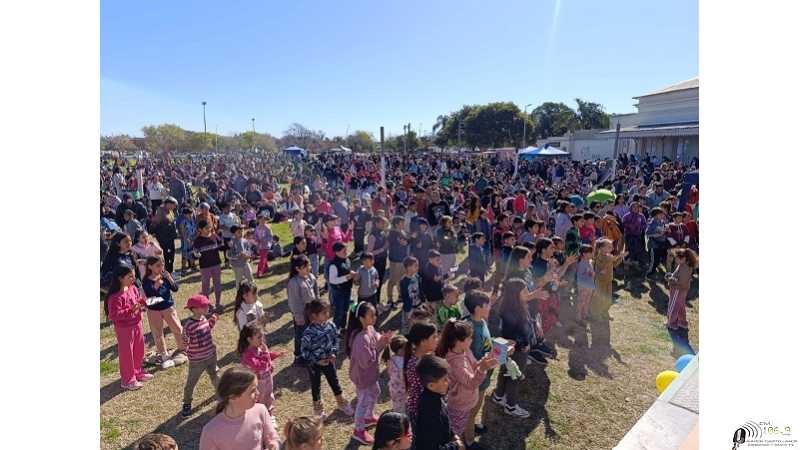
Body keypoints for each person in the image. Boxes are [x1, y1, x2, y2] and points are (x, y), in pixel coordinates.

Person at [435, 320, 497, 444]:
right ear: (458, 341)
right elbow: (471, 383)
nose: (471, 340)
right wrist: (483, 368)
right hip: (459, 405)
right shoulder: (454, 362)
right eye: (469, 338)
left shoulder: (464, 350)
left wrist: (487, 359)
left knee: (462, 425)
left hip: (466, 401)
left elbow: (474, 365)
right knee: (455, 434)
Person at [346, 302, 395, 444]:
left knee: (375, 392)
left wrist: (383, 338)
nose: (375, 317)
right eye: (371, 315)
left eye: (375, 314)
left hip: (370, 375)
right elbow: (366, 362)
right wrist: (381, 345)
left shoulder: (370, 328)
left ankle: (368, 416)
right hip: (362, 376)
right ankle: (358, 430)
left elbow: (376, 337)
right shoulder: (360, 339)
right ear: (361, 318)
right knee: (362, 402)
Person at [198, 366, 280, 450]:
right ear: (233, 397)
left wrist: (273, 445)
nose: (258, 393)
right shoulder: (211, 431)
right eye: (252, 391)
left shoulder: (260, 410)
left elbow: (272, 437)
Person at [300, 300, 354, 418]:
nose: (328, 314)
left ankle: (341, 403)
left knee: (334, 382)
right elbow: (304, 352)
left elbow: (336, 340)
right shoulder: (308, 333)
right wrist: (316, 360)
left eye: (327, 312)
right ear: (314, 316)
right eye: (324, 313)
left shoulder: (331, 326)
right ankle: (318, 409)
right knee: (316, 385)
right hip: (314, 364)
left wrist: (334, 353)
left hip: (329, 361)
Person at [492, 278, 536, 418]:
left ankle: (498, 396)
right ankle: (511, 406)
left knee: (505, 371)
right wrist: (523, 344)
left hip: (510, 350)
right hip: (517, 350)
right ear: (516, 293)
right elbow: (512, 334)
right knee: (514, 376)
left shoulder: (513, 306)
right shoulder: (513, 311)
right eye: (524, 290)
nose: (527, 292)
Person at [461, 290, 500, 447]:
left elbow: (486, 343)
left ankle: (470, 425)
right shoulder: (470, 330)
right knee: (472, 410)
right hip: (476, 377)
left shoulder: (482, 321)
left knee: (477, 406)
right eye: (487, 304)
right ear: (477, 308)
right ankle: (469, 440)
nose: (490, 306)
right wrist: (494, 358)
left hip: (484, 374)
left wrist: (499, 348)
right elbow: (471, 360)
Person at [105, 265, 152, 390]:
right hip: (124, 329)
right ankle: (127, 380)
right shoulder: (115, 297)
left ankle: (137, 372)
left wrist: (142, 304)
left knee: (139, 349)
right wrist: (130, 310)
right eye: (130, 276)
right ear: (120, 278)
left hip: (137, 324)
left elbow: (137, 300)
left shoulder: (132, 288)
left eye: (134, 275)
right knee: (127, 354)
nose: (133, 278)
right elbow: (114, 315)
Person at [141, 256, 186, 369]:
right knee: (158, 333)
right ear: (150, 267)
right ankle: (164, 354)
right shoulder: (146, 280)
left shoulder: (165, 276)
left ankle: (183, 348)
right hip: (154, 310)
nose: (161, 267)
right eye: (158, 265)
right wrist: (155, 286)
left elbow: (175, 288)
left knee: (177, 328)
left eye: (162, 264)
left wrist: (169, 278)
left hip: (168, 307)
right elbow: (148, 295)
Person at [412, 355, 465, 450]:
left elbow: (445, 421)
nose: (448, 381)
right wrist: (456, 446)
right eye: (444, 380)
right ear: (431, 385)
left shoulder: (435, 396)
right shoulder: (430, 412)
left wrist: (452, 435)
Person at [181, 294, 220, 417]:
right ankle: (187, 403)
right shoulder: (188, 325)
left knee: (215, 374)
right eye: (204, 306)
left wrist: (213, 320)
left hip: (210, 356)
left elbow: (208, 328)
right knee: (191, 383)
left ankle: (220, 393)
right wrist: (185, 339)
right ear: (195, 309)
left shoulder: (204, 319)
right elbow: (185, 340)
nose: (208, 307)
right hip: (197, 361)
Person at [238, 322, 284, 412]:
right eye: (259, 337)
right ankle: (260, 414)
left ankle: (269, 412)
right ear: (249, 339)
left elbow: (266, 357)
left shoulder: (258, 348)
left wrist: (275, 355)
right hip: (258, 382)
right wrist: (266, 352)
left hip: (267, 378)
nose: (262, 339)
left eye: (262, 336)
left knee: (269, 394)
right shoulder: (247, 355)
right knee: (260, 398)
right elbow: (259, 365)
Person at [403, 320, 439, 424]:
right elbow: (427, 389)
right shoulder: (415, 365)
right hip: (422, 410)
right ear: (423, 341)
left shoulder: (429, 355)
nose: (437, 340)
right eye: (434, 337)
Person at [287, 255, 320, 366]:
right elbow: (293, 302)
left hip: (312, 311)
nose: (309, 268)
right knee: (300, 335)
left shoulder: (311, 277)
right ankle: (298, 356)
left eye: (309, 265)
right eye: (305, 267)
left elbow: (317, 293)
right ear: (297, 269)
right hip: (301, 313)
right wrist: (298, 316)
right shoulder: (294, 282)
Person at [665, 248, 697, 356]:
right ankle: (682, 323)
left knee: (673, 306)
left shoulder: (685, 267)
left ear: (683, 258)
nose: (676, 261)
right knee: (681, 306)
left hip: (678, 289)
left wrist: (670, 279)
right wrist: (671, 276)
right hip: (682, 290)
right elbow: (677, 276)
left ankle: (671, 323)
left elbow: (680, 281)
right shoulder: (685, 265)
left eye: (677, 259)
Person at [590, 239, 627, 322]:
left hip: (608, 280)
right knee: (598, 299)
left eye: (611, 246)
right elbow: (601, 267)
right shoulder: (599, 257)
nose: (612, 248)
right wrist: (617, 256)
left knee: (608, 298)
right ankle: (597, 314)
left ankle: (604, 312)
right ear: (601, 248)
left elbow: (614, 264)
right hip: (600, 282)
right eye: (609, 246)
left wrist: (620, 258)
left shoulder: (609, 256)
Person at [192, 219, 224, 312]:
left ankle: (218, 304)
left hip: (216, 264)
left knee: (217, 284)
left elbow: (221, 245)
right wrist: (196, 255)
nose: (209, 229)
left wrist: (220, 238)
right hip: (205, 266)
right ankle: (207, 305)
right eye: (206, 228)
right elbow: (194, 254)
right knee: (205, 287)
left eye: (209, 227)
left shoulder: (214, 236)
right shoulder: (198, 241)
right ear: (200, 229)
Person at [328, 241, 356, 330]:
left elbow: (347, 270)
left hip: (347, 289)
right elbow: (332, 280)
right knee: (339, 311)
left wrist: (351, 274)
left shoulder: (347, 260)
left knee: (345, 309)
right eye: (343, 251)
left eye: (346, 250)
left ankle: (343, 327)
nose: (346, 252)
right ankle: (335, 329)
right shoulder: (333, 265)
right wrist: (347, 277)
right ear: (337, 252)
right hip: (338, 291)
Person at [387, 216, 410, 309]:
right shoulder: (392, 234)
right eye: (402, 223)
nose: (403, 224)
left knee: (401, 279)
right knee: (393, 280)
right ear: (396, 224)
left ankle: (400, 296)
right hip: (395, 260)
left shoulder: (402, 232)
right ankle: (390, 299)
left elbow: (407, 242)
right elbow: (400, 243)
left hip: (402, 259)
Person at [382, 335, 408, 414]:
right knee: (401, 409)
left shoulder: (391, 358)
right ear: (400, 350)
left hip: (394, 387)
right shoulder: (402, 361)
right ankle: (400, 420)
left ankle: (398, 414)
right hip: (401, 388)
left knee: (397, 404)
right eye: (406, 348)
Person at [398, 256, 422, 333]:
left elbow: (420, 290)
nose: (418, 267)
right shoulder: (404, 281)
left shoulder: (417, 277)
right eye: (415, 265)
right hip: (409, 308)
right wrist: (409, 309)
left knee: (417, 324)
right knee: (408, 326)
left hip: (418, 305)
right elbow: (404, 297)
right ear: (408, 267)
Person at [575, 245, 596, 324]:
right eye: (590, 252)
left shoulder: (590, 262)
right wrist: (588, 273)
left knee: (587, 301)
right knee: (581, 301)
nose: (592, 254)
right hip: (583, 286)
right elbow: (580, 276)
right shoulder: (581, 263)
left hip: (589, 285)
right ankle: (578, 317)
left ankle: (585, 314)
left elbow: (591, 274)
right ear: (584, 254)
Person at [253, 212, 273, 278]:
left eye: (264, 219)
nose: (262, 221)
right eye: (261, 219)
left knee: (262, 259)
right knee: (263, 257)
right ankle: (266, 268)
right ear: (258, 220)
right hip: (259, 246)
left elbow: (270, 236)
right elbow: (255, 236)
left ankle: (259, 272)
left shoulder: (267, 228)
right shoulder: (257, 228)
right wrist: (257, 240)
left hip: (265, 246)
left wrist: (264, 240)